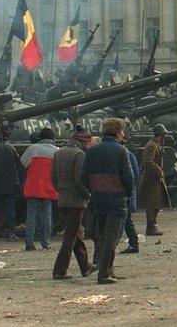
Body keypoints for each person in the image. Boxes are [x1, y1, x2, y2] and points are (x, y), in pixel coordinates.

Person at [81, 118, 134, 285]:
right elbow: (129, 177)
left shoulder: (92, 150)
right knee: (112, 236)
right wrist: (127, 192)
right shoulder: (121, 151)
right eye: (122, 132)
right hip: (116, 199)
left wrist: (95, 189)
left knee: (103, 235)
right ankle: (104, 274)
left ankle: (109, 270)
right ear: (118, 132)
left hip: (98, 199)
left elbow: (83, 177)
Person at [51, 125, 93, 279]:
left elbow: (53, 178)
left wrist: (61, 191)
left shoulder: (59, 152)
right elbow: (79, 180)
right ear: (84, 141)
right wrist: (88, 195)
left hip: (62, 198)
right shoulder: (79, 154)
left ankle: (85, 266)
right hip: (76, 201)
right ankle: (59, 270)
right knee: (70, 237)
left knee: (75, 234)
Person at [21, 127, 59, 251]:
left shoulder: (32, 149)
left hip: (32, 185)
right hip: (48, 186)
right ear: (53, 138)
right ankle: (46, 243)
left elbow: (24, 163)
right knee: (46, 215)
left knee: (31, 214)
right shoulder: (57, 151)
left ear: (40, 138)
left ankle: (29, 243)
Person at [138, 124, 172, 236]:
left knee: (156, 203)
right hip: (150, 179)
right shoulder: (152, 145)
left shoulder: (155, 144)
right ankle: (150, 227)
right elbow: (148, 161)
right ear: (162, 135)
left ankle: (153, 225)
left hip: (154, 178)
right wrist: (159, 171)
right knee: (152, 204)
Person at [119, 138, 141, 254]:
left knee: (126, 219)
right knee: (127, 219)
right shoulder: (129, 155)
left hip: (123, 192)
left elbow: (135, 175)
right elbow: (136, 175)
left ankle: (133, 243)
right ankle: (133, 243)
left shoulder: (126, 155)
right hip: (126, 191)